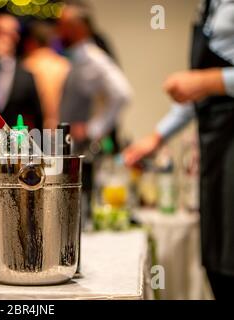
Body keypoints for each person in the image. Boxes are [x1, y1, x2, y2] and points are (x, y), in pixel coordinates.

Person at [123, 0, 234, 299]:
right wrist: (157, 136)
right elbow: (200, 95)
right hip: (218, 147)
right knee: (218, 261)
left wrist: (210, 80)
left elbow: (206, 84)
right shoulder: (209, 5)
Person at [57, 2, 132, 152]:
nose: (59, 30)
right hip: (69, 145)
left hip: (84, 149)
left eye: (64, 25)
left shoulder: (93, 58)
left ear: (78, 27)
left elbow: (123, 94)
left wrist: (92, 129)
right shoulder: (73, 57)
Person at [0, 13, 43, 130]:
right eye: (0, 32)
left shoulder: (25, 75)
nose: (6, 38)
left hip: (9, 141)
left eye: (12, 33)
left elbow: (37, 117)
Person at [23, 21, 71, 130]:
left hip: (35, 131)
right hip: (62, 129)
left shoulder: (27, 66)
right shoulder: (65, 65)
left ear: (31, 42)